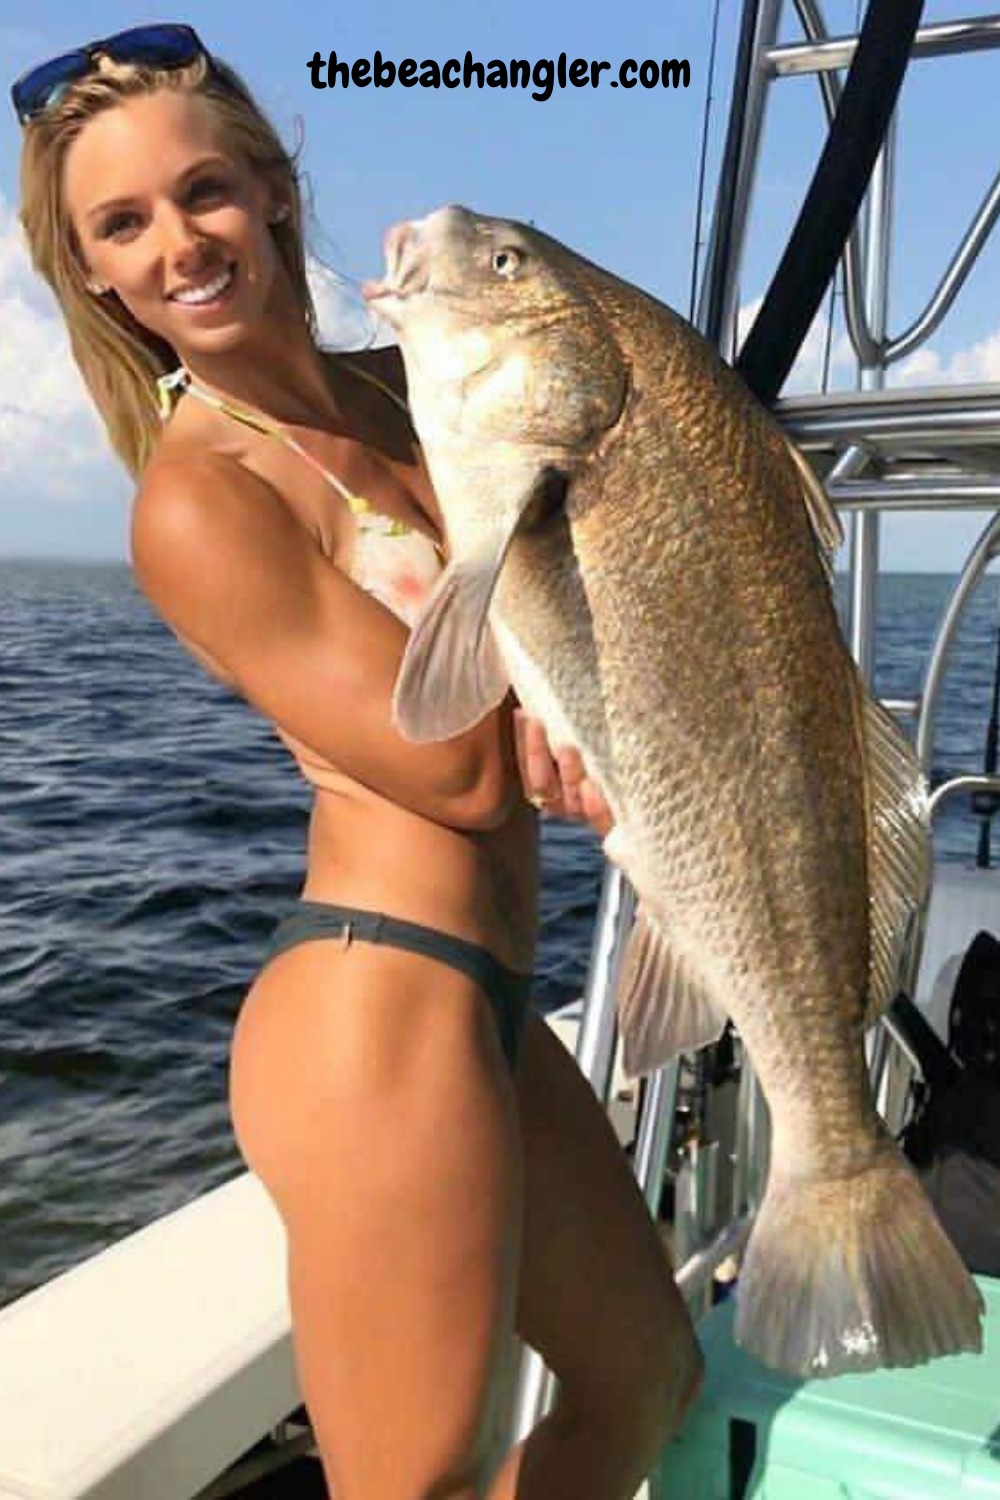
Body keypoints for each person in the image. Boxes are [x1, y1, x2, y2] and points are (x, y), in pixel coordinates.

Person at [12, 25, 703, 1499]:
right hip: (376, 1007)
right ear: (92, 277)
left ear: (269, 189)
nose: (176, 244)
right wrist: (579, 720)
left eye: (201, 190)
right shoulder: (201, 498)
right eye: (120, 226)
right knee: (410, 1484)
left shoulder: (410, 392)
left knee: (648, 1381)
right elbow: (451, 775)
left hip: (501, 1002)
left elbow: (624, 476)